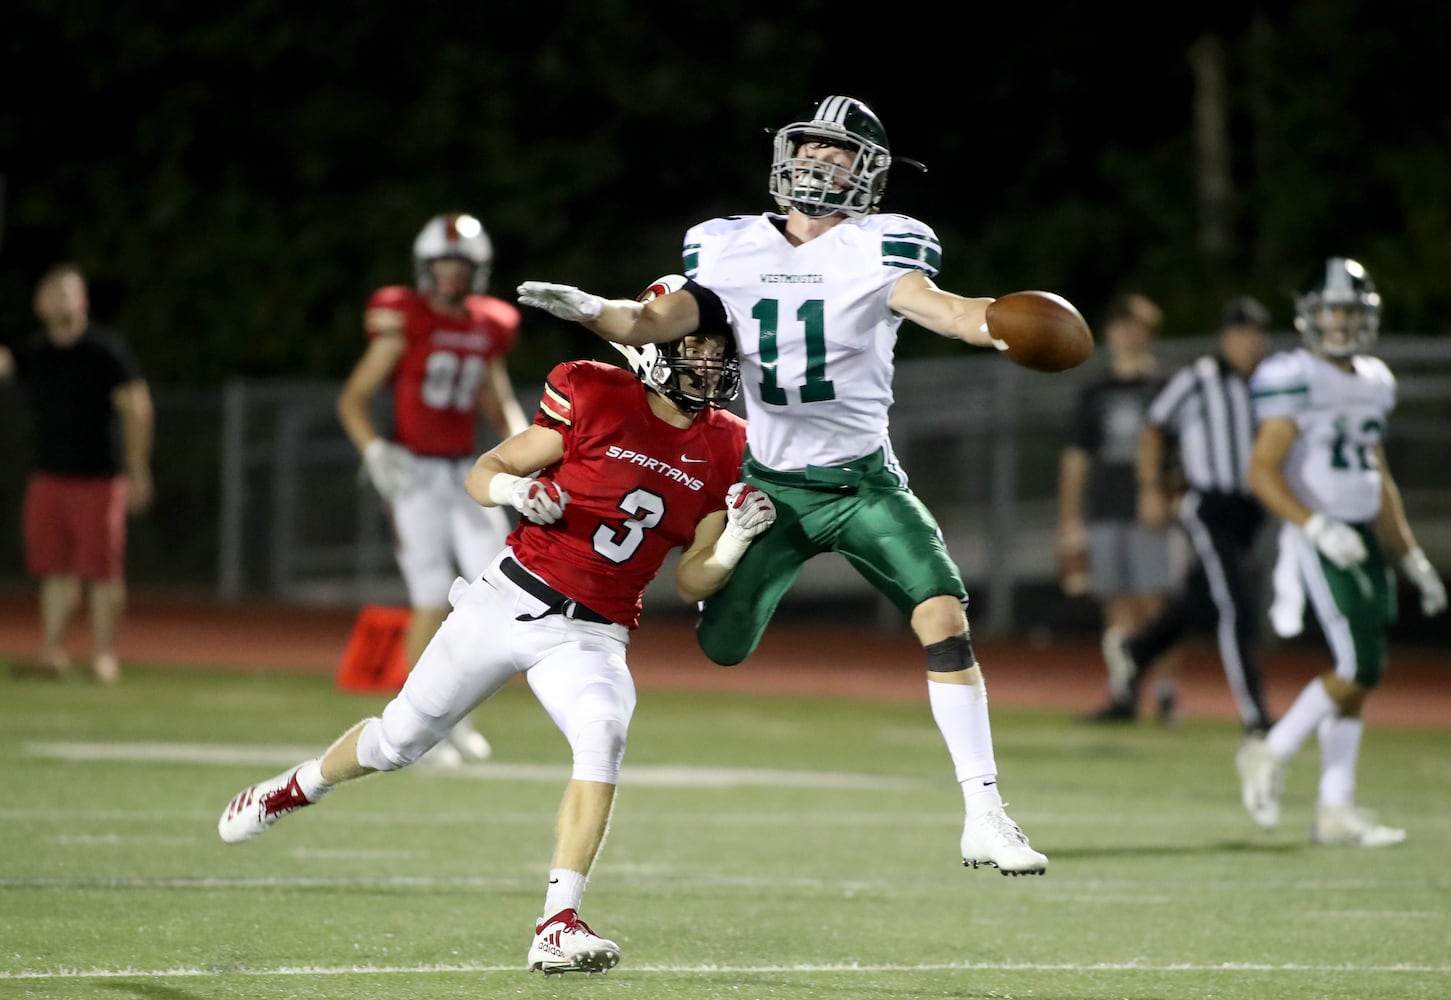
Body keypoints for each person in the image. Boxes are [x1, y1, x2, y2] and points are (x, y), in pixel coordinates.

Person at [517, 95, 1051, 876]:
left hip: (864, 482)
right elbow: (651, 323)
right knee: (722, 646)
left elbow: (938, 308)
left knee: (943, 617)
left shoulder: (879, 246)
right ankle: (980, 808)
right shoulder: (725, 245)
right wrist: (598, 311)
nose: (816, 161)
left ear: (867, 173)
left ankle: (985, 813)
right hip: (771, 486)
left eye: (837, 153)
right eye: (809, 147)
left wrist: (993, 322)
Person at [219, 275, 773, 975]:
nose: (710, 364)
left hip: (593, 631)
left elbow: (692, 576)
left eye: (717, 351)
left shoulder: (727, 444)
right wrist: (517, 491)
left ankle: (557, 922)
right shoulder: (595, 392)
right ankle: (297, 786)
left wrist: (731, 545)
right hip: (506, 598)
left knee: (602, 734)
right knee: (396, 742)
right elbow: (487, 469)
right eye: (694, 347)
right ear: (655, 347)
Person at [1235, 257, 1446, 847]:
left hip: (1363, 534)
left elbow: (1378, 476)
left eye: (1350, 310)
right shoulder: (1292, 374)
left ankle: (1334, 806)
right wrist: (1317, 526)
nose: (1339, 321)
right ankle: (1268, 751)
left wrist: (1409, 554)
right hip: (1321, 535)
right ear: (1308, 315)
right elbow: (1261, 470)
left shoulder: (1375, 379)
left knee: (1365, 669)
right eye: (1329, 309)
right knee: (1358, 665)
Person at [337, 212, 529, 765]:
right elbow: (352, 397)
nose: (450, 276)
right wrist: (373, 448)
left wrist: (525, 452)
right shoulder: (406, 318)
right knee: (429, 597)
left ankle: (455, 714)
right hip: (413, 473)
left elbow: (496, 401)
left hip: (465, 473)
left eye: (460, 266)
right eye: (443, 265)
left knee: (496, 592)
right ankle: (414, 726)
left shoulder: (489, 323)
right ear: (425, 268)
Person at [1092, 296, 1276, 734]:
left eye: (1257, 336)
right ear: (1227, 338)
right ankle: (1257, 715)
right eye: (1243, 335)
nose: (1251, 345)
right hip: (1211, 505)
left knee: (1199, 599)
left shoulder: (1268, 383)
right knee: (1237, 605)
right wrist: (1151, 488)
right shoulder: (1199, 379)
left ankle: (1137, 651)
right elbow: (1153, 427)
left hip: (1252, 509)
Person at [0, 263, 153, 684]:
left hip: (99, 478)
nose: (60, 300)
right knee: (54, 571)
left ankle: (105, 656)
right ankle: (52, 652)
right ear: (39, 304)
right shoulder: (35, 353)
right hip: (48, 476)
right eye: (53, 293)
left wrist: (137, 467)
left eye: (68, 292)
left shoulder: (104, 352)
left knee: (102, 572)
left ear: (83, 301)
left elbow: (137, 407)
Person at [1056, 293, 1183, 724]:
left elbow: (1182, 456)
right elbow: (1077, 458)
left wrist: (1171, 500)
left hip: (1150, 510)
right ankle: (1124, 692)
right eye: (1122, 326)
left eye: (1137, 327)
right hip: (1107, 507)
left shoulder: (1164, 389)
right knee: (1116, 604)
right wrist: (1070, 518)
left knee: (1154, 605)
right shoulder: (1096, 393)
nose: (1128, 335)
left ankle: (1165, 696)